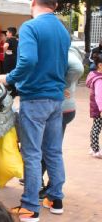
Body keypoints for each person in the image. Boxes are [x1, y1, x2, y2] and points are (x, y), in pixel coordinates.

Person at [0, 0, 70, 222]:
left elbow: (28, 60)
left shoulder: (30, 27)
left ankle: (30, 207)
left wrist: (8, 77)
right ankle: (54, 198)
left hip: (35, 98)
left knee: (32, 152)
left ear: (34, 0)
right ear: (55, 5)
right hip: (56, 100)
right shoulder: (63, 29)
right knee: (53, 151)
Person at [40, 43, 85, 196]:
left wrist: (61, 85)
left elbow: (78, 68)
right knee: (50, 148)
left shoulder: (67, 52)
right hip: (64, 108)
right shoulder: (68, 51)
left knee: (49, 149)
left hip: (60, 108)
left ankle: (51, 189)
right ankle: (43, 182)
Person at [87, 53, 102, 159]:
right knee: (96, 128)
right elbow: (99, 96)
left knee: (95, 128)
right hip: (99, 108)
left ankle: (93, 148)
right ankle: (96, 150)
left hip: (96, 107)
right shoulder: (99, 80)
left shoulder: (95, 76)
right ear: (100, 65)